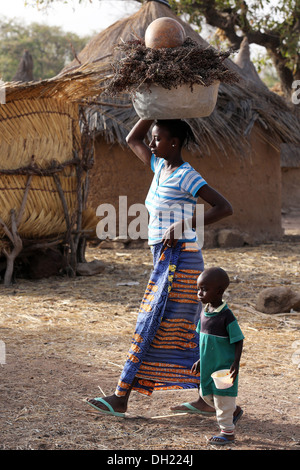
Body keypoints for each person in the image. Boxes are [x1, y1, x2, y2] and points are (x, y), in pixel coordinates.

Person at [86, 118, 233, 417]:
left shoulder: (186, 175)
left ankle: (120, 397)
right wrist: (153, 110)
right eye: (152, 139)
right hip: (165, 257)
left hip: (182, 259)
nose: (151, 145)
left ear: (174, 143)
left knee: (150, 323)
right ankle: (215, 401)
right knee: (182, 330)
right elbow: (132, 139)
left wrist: (185, 223)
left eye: (157, 139)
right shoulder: (159, 167)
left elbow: (224, 207)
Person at [191, 267, 244, 445]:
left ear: (219, 291)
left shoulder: (226, 316)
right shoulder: (205, 313)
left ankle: (227, 432)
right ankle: (233, 411)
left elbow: (238, 340)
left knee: (222, 399)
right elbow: (204, 340)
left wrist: (236, 363)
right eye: (198, 288)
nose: (199, 293)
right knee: (205, 394)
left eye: (204, 289)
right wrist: (200, 360)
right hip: (208, 365)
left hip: (223, 367)